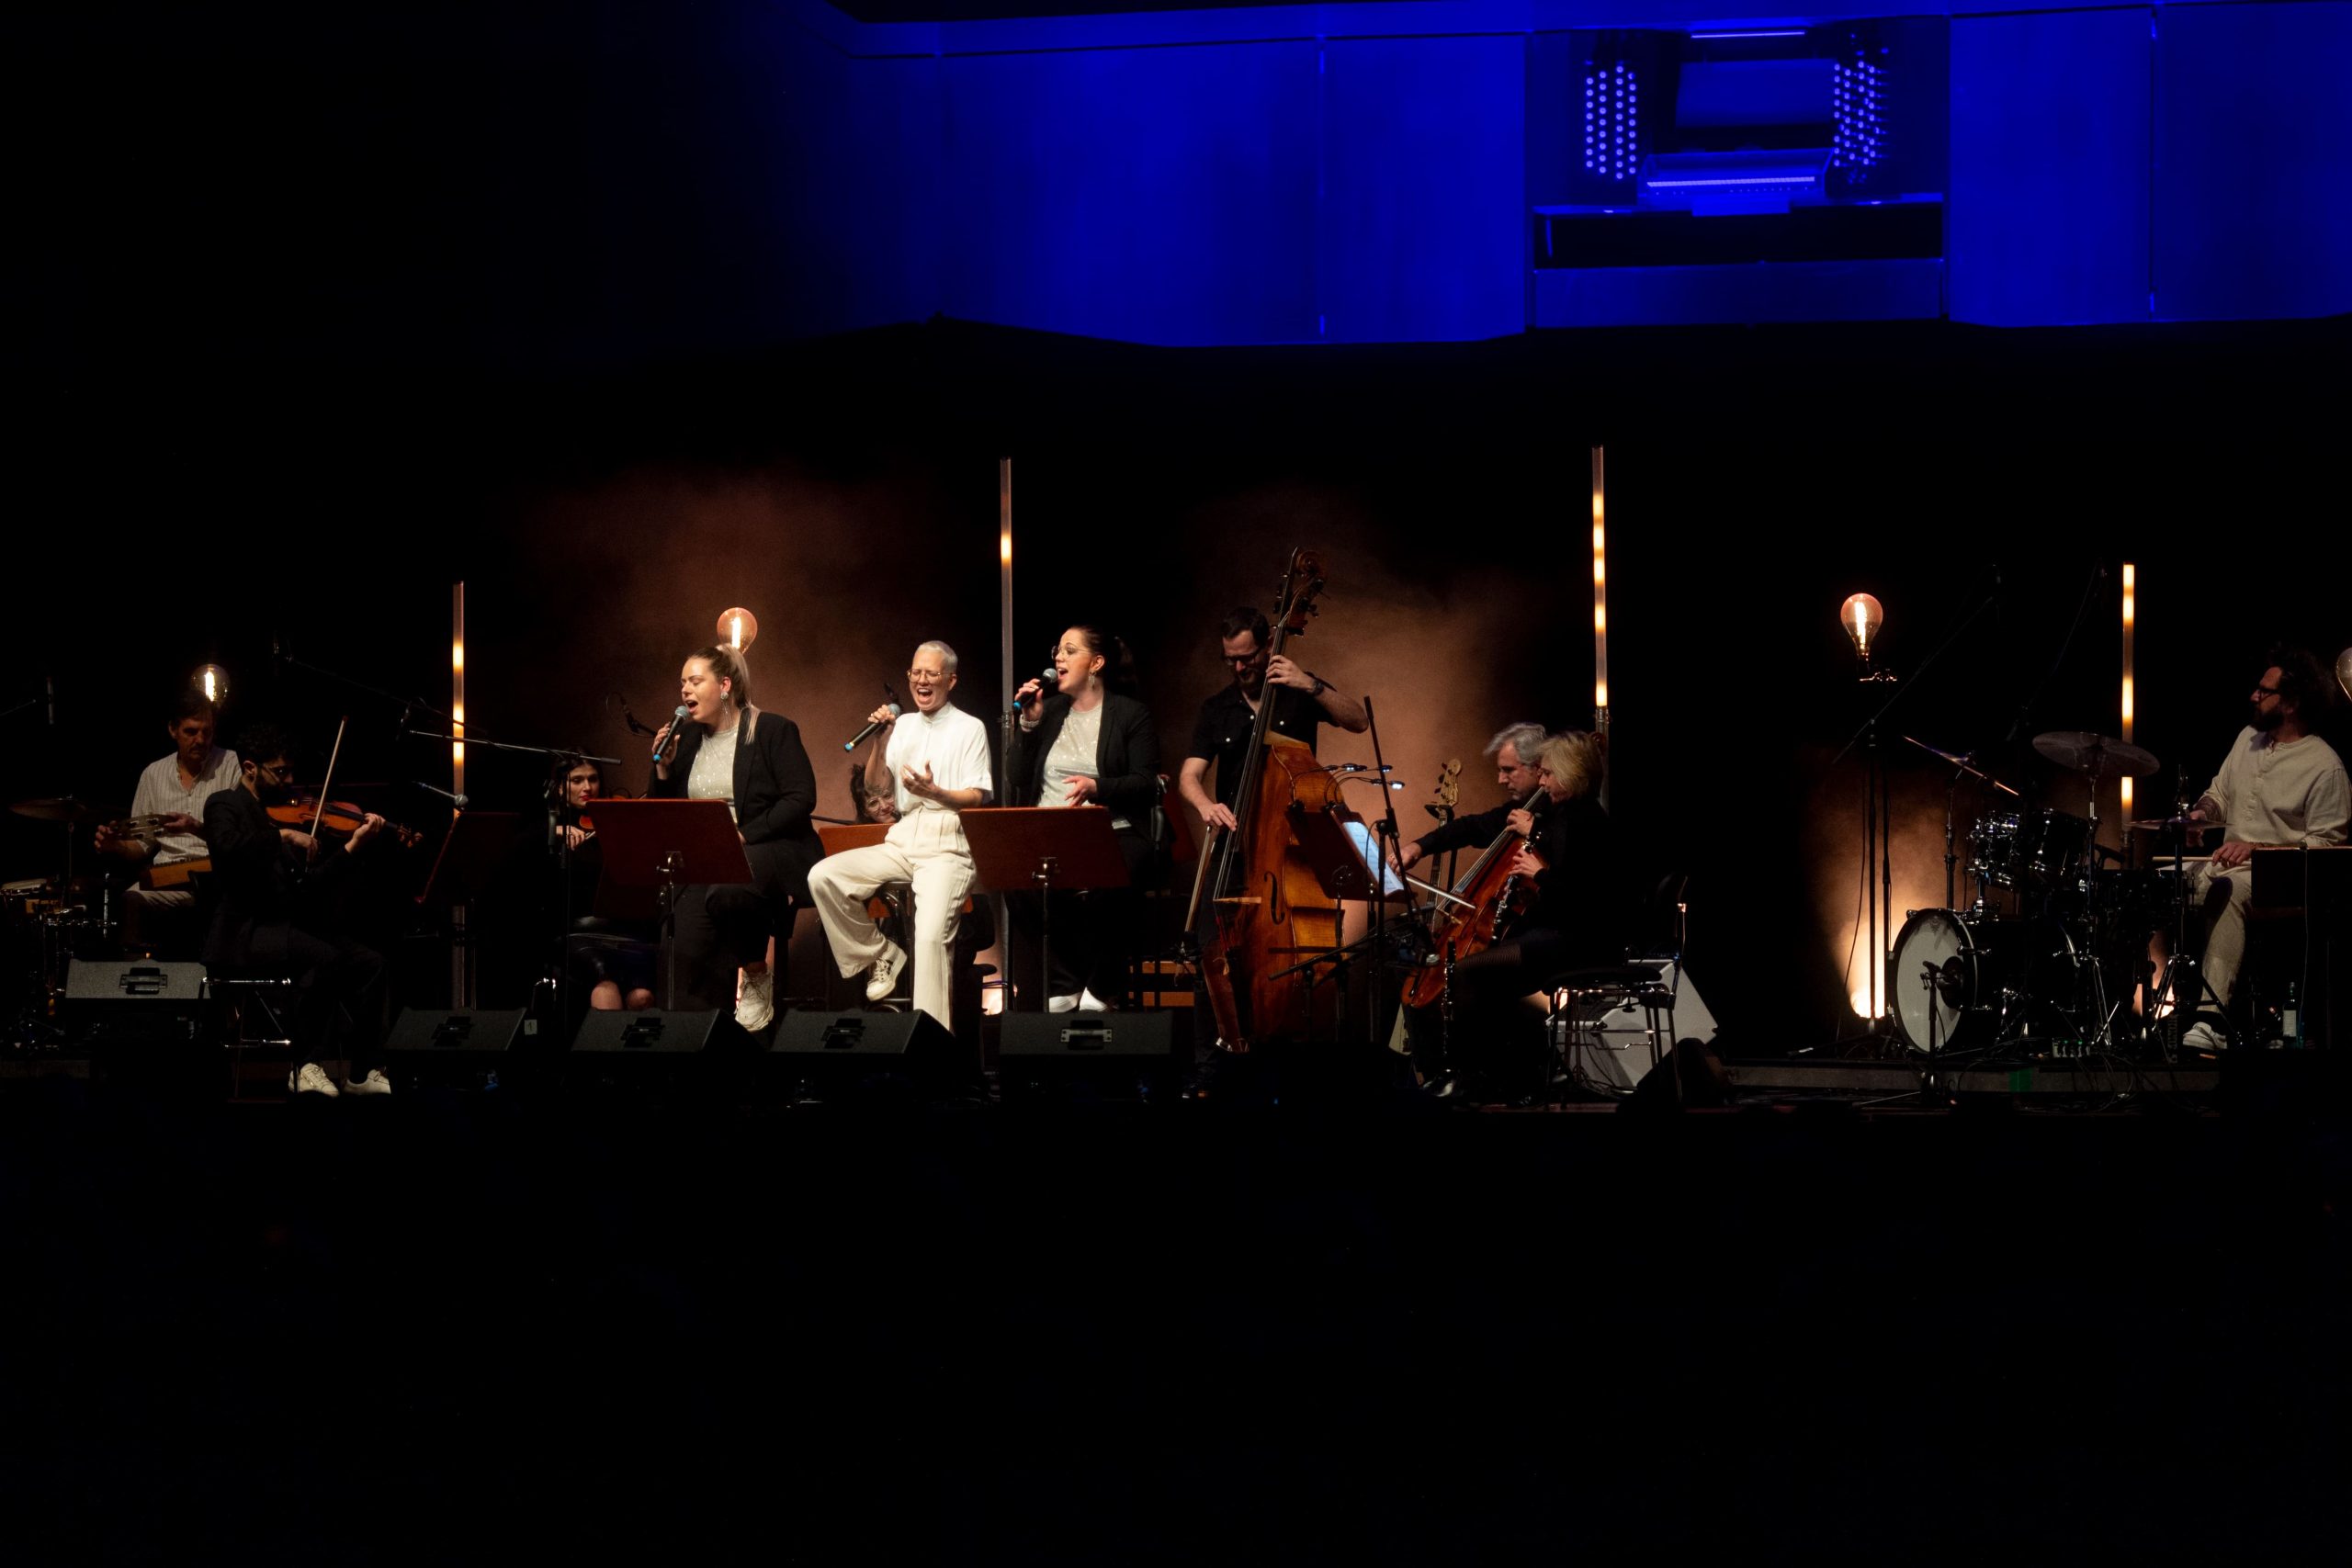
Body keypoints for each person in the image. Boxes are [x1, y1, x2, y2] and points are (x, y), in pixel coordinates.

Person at [1405, 730, 1624, 1101]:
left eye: (1549, 774)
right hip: (1555, 934)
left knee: (1468, 972)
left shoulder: (1588, 820)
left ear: (1570, 774)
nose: (1542, 780)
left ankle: (1478, 1074)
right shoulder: (1562, 813)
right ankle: (1516, 1072)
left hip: (1580, 940)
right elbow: (1485, 829)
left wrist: (1538, 867)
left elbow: (1581, 896)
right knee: (1487, 980)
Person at [808, 640, 993, 1031]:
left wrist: (936, 792)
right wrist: (881, 739)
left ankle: (931, 1049)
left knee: (928, 941)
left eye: (932, 674)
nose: (921, 681)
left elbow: (977, 797)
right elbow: (876, 789)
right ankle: (880, 955)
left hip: (949, 841)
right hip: (904, 834)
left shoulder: (969, 727)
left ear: (951, 680)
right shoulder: (903, 725)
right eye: (916, 673)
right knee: (823, 876)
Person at [199, 723, 392, 1096]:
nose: (290, 780)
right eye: (280, 771)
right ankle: (306, 1064)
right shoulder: (225, 803)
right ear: (251, 768)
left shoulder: (273, 815)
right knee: (324, 958)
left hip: (285, 925)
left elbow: (308, 887)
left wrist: (352, 846)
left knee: (371, 963)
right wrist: (282, 836)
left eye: (290, 770)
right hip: (245, 932)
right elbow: (225, 848)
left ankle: (361, 1072)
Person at [2176, 649, 2349, 1051]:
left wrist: (2255, 850)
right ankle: (2154, 1008)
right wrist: (2201, 814)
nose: (2253, 696)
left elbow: (2328, 849)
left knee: (2229, 892)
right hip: (2227, 868)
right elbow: (2219, 792)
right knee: (2158, 888)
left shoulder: (2325, 766)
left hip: (2285, 886)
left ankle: (2210, 1019)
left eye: (2264, 691)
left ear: (2291, 703)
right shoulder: (2247, 740)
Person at [648, 645, 821, 1030]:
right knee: (682, 937)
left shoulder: (771, 729)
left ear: (725, 685)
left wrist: (744, 835)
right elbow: (668, 814)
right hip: (707, 856)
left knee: (728, 888)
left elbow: (801, 797)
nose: (685, 692)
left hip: (768, 848)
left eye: (696, 681)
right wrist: (664, 769)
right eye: (682, 684)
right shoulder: (688, 740)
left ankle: (755, 971)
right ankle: (695, 1037)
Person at [1009, 624, 1160, 1011]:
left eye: (1069, 651)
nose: (1057, 658)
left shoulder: (1130, 714)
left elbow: (1145, 782)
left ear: (1096, 663)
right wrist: (1027, 723)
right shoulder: (1050, 710)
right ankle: (1064, 980)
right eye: (1057, 650)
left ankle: (1102, 981)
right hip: (1051, 830)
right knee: (1012, 877)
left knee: (1120, 874)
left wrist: (1098, 788)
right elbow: (1017, 776)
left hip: (1112, 829)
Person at [1176, 606, 1367, 837]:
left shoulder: (1300, 689)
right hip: (1237, 834)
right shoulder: (1216, 707)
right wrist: (1205, 805)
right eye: (1231, 660)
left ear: (1268, 645)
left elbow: (1359, 721)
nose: (1239, 668)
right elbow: (1189, 776)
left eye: (1247, 658)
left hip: (1293, 832)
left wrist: (1310, 685)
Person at [94, 692, 241, 955]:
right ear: (173, 730)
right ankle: (138, 981)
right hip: (168, 877)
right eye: (191, 731)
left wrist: (195, 826)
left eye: (207, 732)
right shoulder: (153, 774)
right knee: (130, 899)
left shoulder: (230, 764)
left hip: (214, 877)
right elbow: (142, 845)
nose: (201, 740)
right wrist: (115, 846)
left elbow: (238, 839)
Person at [547, 757, 655, 1013]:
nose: (588, 787)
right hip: (575, 931)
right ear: (560, 787)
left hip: (620, 927)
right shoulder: (552, 825)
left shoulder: (612, 819)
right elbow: (518, 843)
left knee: (642, 997)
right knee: (607, 987)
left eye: (593, 779)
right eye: (577, 780)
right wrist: (554, 831)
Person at [1389, 721, 1549, 878]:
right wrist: (1418, 847)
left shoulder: (1566, 809)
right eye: (1499, 771)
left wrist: (1535, 833)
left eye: (1508, 770)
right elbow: (1470, 828)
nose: (1501, 780)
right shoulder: (1519, 809)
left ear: (1537, 767)